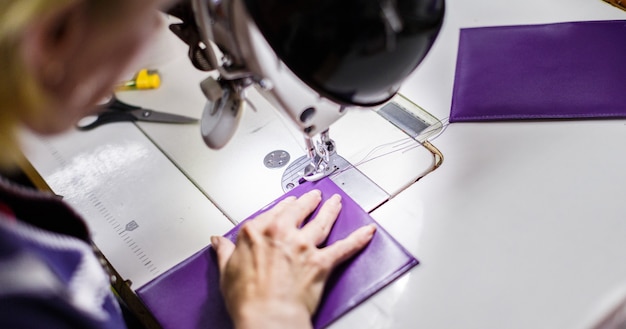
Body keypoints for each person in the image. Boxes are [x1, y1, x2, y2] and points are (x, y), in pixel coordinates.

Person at [0, 0, 376, 328]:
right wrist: (271, 315)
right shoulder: (27, 302)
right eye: (149, 17)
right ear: (53, 38)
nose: (157, 45)